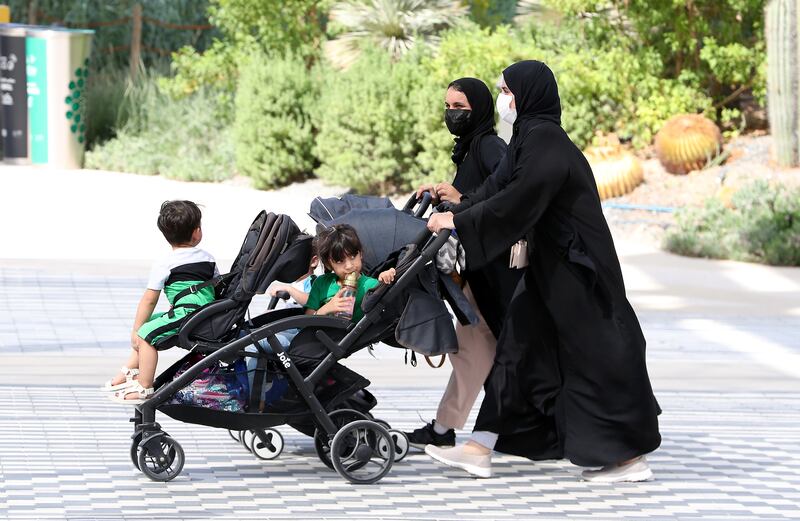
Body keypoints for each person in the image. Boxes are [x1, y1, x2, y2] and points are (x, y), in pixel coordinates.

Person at [424, 60, 661, 482]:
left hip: (578, 271)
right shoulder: (526, 140)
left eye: (507, 91)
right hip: (550, 267)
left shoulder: (547, 142)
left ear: (528, 95)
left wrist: (459, 222)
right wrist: (458, 210)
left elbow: (520, 199)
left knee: (597, 354)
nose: (503, 100)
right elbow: (497, 189)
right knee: (516, 346)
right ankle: (480, 448)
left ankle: (628, 458)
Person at [405, 78, 521, 449]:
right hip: (480, 268)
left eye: (460, 108)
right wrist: (444, 195)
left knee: (476, 348)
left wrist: (461, 197)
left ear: (480, 110)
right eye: (448, 106)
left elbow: (507, 195)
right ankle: (448, 428)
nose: (452, 114)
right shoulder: (471, 148)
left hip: (495, 271)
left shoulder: (489, 146)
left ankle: (459, 430)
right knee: (474, 348)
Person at [102, 200, 218, 404]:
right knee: (148, 328)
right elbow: (215, 285)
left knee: (145, 335)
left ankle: (145, 385)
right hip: (205, 312)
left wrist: (136, 330)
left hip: (188, 314)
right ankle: (129, 371)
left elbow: (149, 300)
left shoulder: (165, 263)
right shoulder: (208, 259)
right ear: (197, 232)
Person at [304, 224, 396, 320]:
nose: (349, 266)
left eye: (353, 257)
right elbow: (306, 321)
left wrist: (387, 278)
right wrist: (327, 308)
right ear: (328, 264)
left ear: (360, 253)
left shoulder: (371, 285)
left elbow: (389, 307)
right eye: (340, 261)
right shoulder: (321, 284)